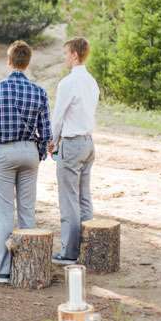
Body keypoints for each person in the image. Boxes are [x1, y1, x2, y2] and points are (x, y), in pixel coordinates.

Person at [0, 41, 51, 283]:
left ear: (9, 61)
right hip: (29, 153)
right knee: (27, 212)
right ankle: (28, 268)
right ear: (27, 63)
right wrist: (38, 154)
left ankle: (3, 269)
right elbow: (46, 131)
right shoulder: (39, 92)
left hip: (5, 154)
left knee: (6, 213)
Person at [47, 37, 100, 265]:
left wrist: (52, 141)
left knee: (69, 198)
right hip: (89, 143)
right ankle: (88, 246)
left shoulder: (68, 83)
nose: (64, 57)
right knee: (84, 197)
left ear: (74, 55)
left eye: (65, 53)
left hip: (72, 143)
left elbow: (58, 116)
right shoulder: (92, 82)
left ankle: (69, 252)